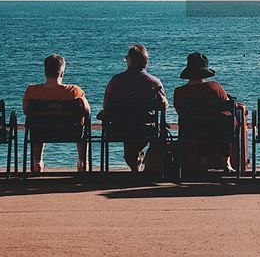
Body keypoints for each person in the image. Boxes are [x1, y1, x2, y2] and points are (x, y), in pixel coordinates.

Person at [102, 44, 169, 172]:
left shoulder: (116, 81)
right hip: (146, 129)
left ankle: (135, 162)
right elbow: (164, 105)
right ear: (146, 62)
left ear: (129, 61)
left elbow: (106, 106)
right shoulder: (154, 82)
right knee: (157, 131)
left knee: (131, 136)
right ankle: (146, 162)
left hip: (119, 129)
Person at [23, 54, 90, 173]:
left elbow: (26, 110)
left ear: (45, 71)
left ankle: (37, 163)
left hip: (41, 132)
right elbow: (87, 111)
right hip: (71, 132)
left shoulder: (32, 91)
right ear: (62, 73)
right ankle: (82, 163)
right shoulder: (75, 91)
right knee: (83, 123)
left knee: (37, 124)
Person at [173, 52, 235, 178]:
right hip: (217, 131)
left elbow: (180, 112)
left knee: (201, 123)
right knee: (225, 121)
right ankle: (226, 162)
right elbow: (228, 105)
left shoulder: (179, 92)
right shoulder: (215, 87)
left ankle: (203, 161)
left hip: (191, 132)